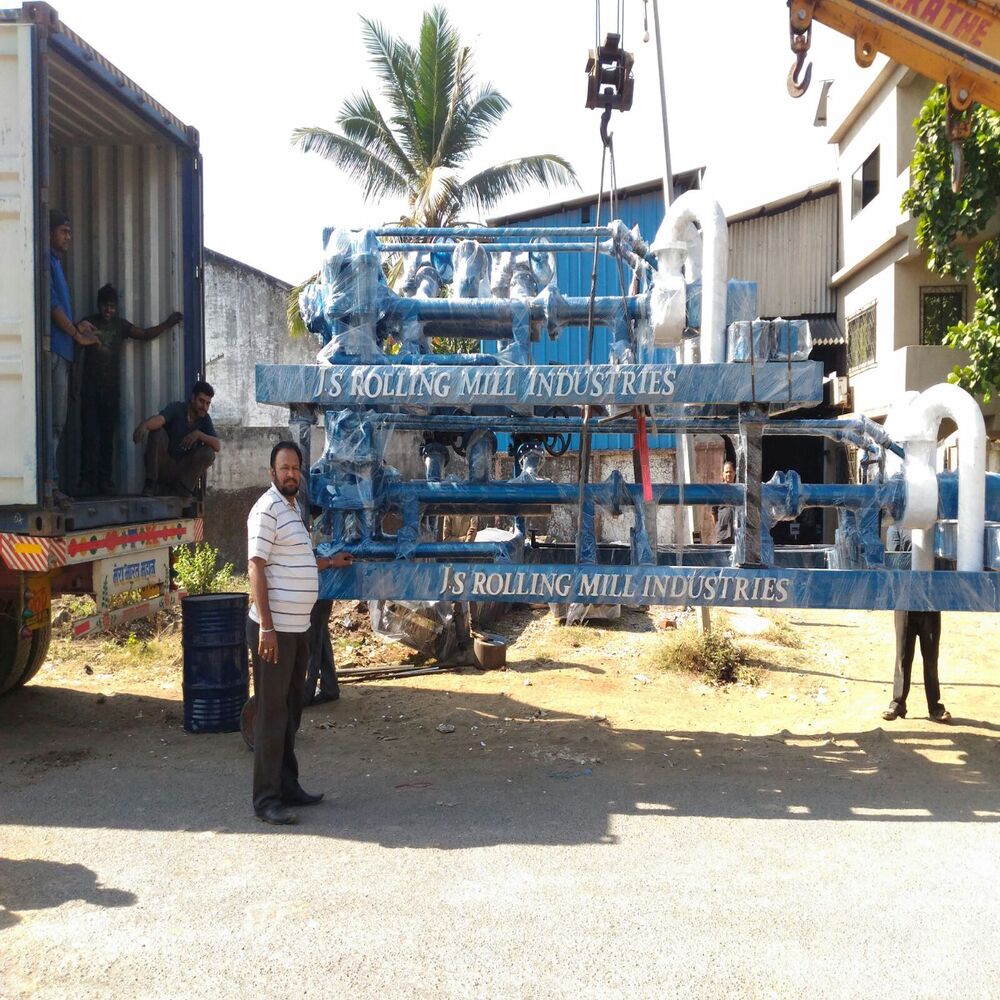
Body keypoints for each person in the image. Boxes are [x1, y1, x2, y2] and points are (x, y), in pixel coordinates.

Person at [246, 441, 352, 825]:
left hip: (297, 629)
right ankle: (266, 800)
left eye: (295, 468)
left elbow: (297, 560)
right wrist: (267, 628)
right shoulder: (267, 509)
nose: (290, 474)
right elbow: (256, 566)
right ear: (272, 472)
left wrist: (329, 562)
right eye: (284, 468)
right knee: (271, 715)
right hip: (274, 632)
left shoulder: (292, 509)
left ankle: (288, 787)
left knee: (291, 712)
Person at [79, 284, 183, 495]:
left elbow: (144, 334)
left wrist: (168, 323)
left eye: (112, 306)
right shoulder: (88, 323)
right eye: (105, 306)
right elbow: (74, 339)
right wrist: (78, 328)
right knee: (89, 437)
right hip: (90, 390)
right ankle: (87, 482)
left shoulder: (120, 325)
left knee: (107, 438)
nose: (108, 310)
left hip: (110, 392)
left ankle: (104, 482)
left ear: (116, 307)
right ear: (99, 305)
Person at [48, 209, 99, 508]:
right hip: (56, 351)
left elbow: (60, 312)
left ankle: (51, 483)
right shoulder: (45, 261)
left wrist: (77, 328)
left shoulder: (56, 263)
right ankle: (50, 485)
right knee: (53, 423)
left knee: (58, 423)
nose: (68, 237)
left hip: (63, 350)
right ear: (50, 232)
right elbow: (52, 307)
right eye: (64, 231)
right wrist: (76, 335)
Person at [882, 525, 950, 723]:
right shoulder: (896, 529)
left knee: (931, 656)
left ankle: (935, 707)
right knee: (903, 656)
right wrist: (920, 556)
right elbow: (896, 562)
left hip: (930, 601)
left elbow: (942, 558)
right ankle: (897, 704)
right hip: (905, 601)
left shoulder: (934, 529)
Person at [132, 381, 221, 497]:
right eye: (201, 401)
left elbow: (217, 446)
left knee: (209, 452)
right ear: (193, 398)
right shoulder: (177, 408)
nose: (204, 407)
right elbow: (160, 419)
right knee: (157, 432)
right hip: (165, 464)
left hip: (183, 471)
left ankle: (183, 488)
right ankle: (151, 484)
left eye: (208, 403)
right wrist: (145, 425)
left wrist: (199, 435)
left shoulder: (205, 419)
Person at [711, 459, 736, 545]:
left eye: (730, 472)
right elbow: (713, 512)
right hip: (723, 534)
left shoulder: (739, 490)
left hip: (737, 533)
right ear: (723, 474)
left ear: (734, 473)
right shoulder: (718, 490)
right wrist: (718, 527)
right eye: (726, 472)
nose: (728, 474)